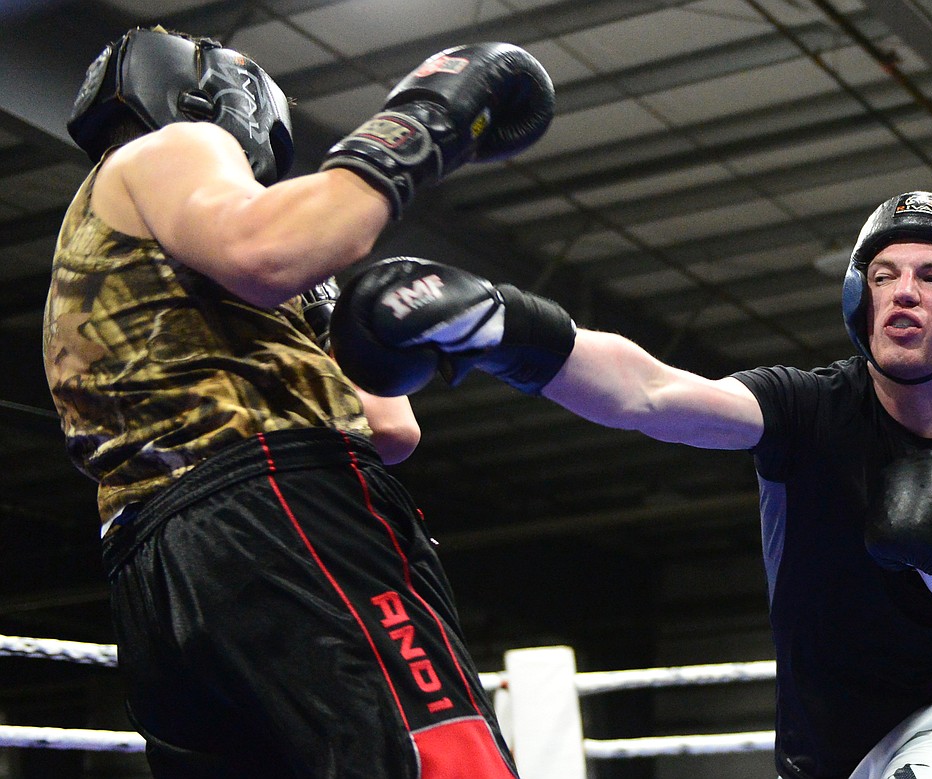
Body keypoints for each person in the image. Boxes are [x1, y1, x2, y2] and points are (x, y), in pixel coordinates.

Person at [328, 191, 932, 779]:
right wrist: (499, 325)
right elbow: (649, 393)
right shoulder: (805, 409)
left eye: (931, 276)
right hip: (818, 750)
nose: (901, 293)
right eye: (882, 275)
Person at [43, 26, 554, 778]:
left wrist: (336, 315)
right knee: (439, 761)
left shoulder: (107, 237)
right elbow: (268, 251)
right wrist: (429, 114)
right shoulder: (173, 148)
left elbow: (388, 423)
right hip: (282, 509)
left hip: (157, 563)